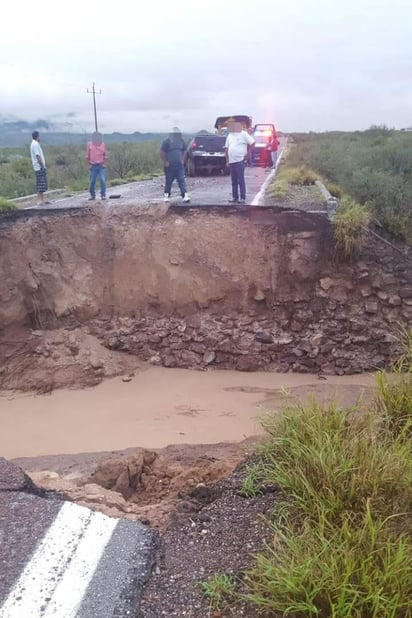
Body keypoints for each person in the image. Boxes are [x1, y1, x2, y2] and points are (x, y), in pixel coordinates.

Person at [224, 122, 255, 203]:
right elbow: (226, 148)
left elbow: (252, 143)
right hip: (231, 161)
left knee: (240, 180)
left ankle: (243, 197)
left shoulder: (243, 134)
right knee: (233, 180)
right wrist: (227, 161)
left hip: (240, 160)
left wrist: (247, 154)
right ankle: (235, 197)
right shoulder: (230, 135)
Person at [160, 127, 190, 202]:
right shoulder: (166, 142)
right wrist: (165, 161)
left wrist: (183, 160)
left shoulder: (181, 141)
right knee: (169, 181)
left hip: (179, 165)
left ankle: (184, 195)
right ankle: (166, 195)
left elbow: (185, 151)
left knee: (181, 180)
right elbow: (161, 152)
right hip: (169, 165)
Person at [86, 132, 107, 200]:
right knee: (92, 181)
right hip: (93, 165)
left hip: (101, 165)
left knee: (102, 180)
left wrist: (104, 163)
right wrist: (89, 165)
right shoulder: (89, 144)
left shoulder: (103, 144)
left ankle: (103, 195)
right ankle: (92, 195)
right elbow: (87, 156)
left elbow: (104, 155)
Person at [30, 131, 48, 205]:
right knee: (40, 183)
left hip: (38, 167)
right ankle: (39, 200)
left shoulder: (34, 144)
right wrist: (42, 165)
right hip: (39, 167)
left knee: (42, 183)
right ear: (37, 136)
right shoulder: (35, 144)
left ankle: (42, 199)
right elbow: (38, 156)